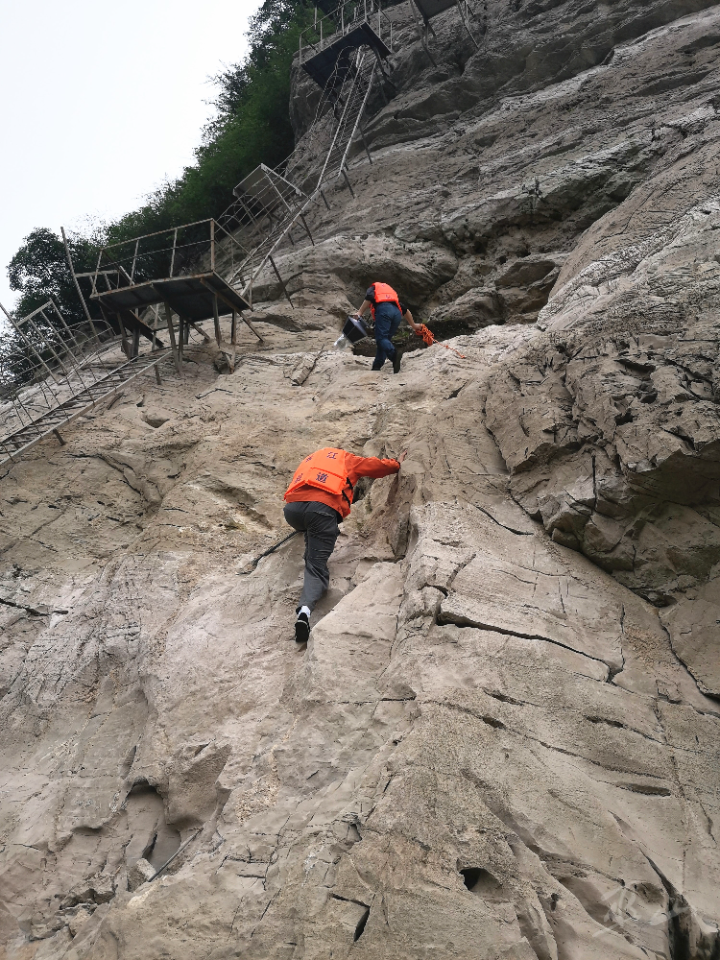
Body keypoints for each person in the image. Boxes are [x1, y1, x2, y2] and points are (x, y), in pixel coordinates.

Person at [283, 446, 407, 643]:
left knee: (310, 526)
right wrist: (397, 463)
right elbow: (375, 467)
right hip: (322, 510)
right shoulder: (346, 459)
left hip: (292, 511)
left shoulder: (311, 459)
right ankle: (304, 613)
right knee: (315, 566)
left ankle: (307, 529)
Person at [352, 282, 421, 374]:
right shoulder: (390, 297)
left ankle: (394, 356)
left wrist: (360, 312)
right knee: (385, 341)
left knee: (381, 339)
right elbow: (405, 310)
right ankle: (377, 365)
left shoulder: (373, 288)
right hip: (397, 314)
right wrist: (413, 325)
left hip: (384, 310)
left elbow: (369, 297)